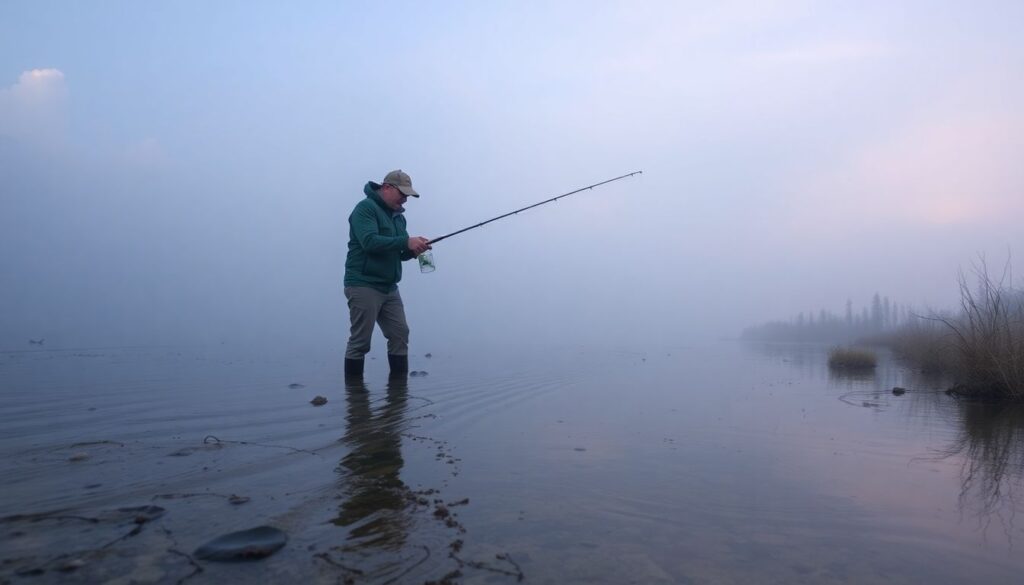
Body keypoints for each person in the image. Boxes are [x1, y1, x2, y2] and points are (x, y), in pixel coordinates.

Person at [343, 169, 431, 378]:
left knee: (400, 334)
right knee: (360, 342)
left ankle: (398, 397)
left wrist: (413, 250)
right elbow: (369, 242)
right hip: (363, 284)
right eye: (402, 194)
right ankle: (355, 401)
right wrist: (405, 242)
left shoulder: (399, 219)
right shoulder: (365, 209)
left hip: (390, 287)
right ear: (386, 188)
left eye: (408, 196)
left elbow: (399, 253)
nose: (405, 200)